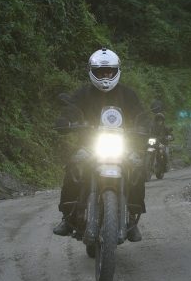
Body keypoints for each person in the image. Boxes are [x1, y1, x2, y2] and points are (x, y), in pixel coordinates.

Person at [54, 47, 147, 242]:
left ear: (116, 71)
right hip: (90, 145)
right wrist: (65, 121)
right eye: (100, 72)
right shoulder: (83, 94)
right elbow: (71, 109)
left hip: (124, 145)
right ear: (92, 72)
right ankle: (67, 215)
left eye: (109, 71)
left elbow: (140, 114)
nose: (105, 76)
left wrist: (146, 125)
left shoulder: (128, 95)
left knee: (138, 168)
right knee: (73, 167)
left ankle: (132, 216)